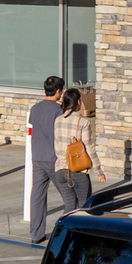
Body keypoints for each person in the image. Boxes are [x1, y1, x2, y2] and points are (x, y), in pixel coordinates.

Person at [26, 76, 66, 243]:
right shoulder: (59, 110)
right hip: (54, 158)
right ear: (58, 91)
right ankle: (68, 232)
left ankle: (36, 235)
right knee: (69, 196)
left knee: (37, 196)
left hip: (37, 157)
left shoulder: (35, 108)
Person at [53, 85, 94, 215]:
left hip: (60, 170)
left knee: (69, 206)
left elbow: (57, 145)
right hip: (78, 170)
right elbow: (89, 148)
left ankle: (64, 226)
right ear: (78, 102)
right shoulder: (83, 122)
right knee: (84, 207)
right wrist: (99, 171)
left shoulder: (58, 120)